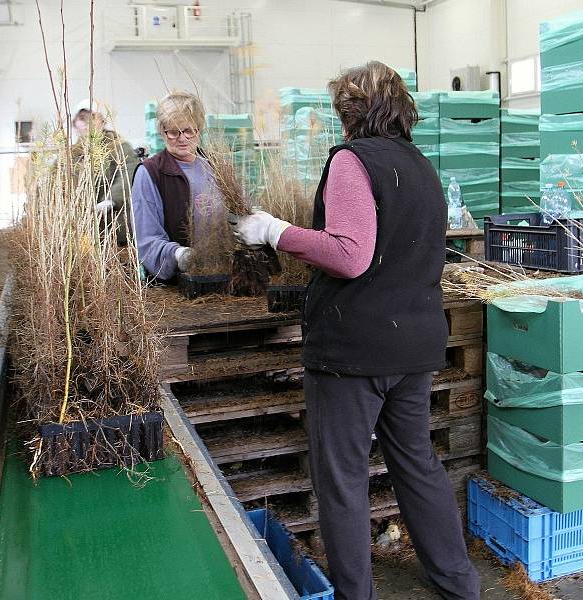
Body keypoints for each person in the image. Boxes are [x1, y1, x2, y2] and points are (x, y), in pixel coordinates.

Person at [230, 62, 480, 600]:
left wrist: (275, 230)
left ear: (349, 113)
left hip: (354, 353)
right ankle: (460, 584)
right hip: (413, 348)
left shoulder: (351, 161)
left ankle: (354, 596)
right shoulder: (421, 167)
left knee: (342, 481)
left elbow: (350, 253)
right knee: (417, 464)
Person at [131, 91, 216, 282]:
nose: (182, 138)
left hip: (222, 274)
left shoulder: (216, 166)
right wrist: (178, 255)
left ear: (199, 129)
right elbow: (146, 239)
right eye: (173, 132)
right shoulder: (150, 173)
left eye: (189, 130)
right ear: (162, 132)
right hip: (178, 285)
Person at [71, 99, 139, 244]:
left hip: (115, 230)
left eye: (92, 117)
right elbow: (55, 181)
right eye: (82, 118)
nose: (87, 123)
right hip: (80, 235)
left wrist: (111, 199)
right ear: (75, 124)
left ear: (101, 121)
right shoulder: (70, 155)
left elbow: (129, 172)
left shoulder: (118, 146)